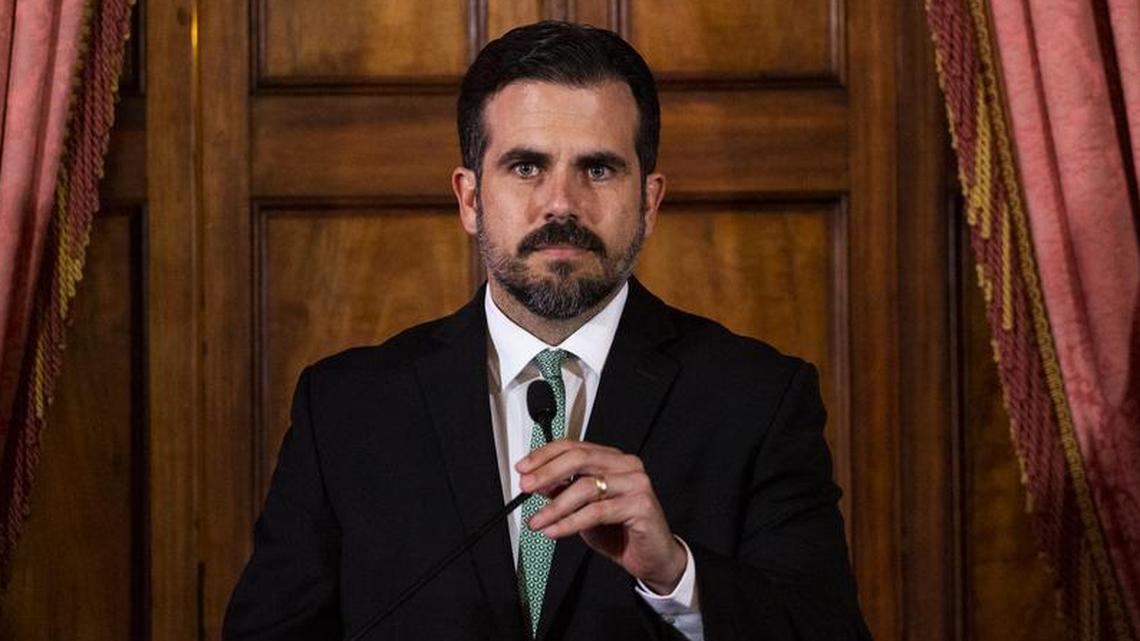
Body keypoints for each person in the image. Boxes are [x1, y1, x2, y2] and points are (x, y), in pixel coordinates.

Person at [223, 21, 871, 641]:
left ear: (648, 201)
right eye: (527, 167)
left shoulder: (758, 399)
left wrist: (676, 573)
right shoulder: (345, 405)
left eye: (598, 169)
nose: (561, 203)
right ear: (471, 198)